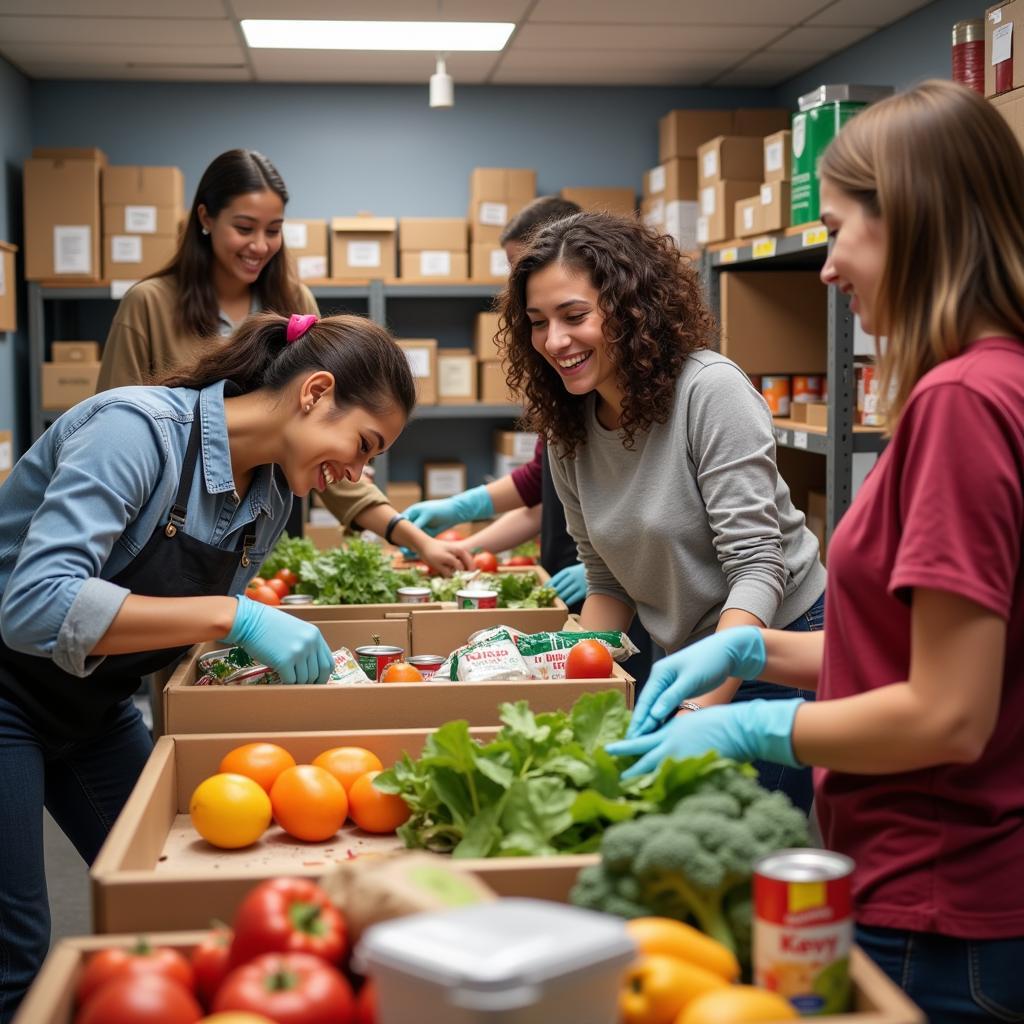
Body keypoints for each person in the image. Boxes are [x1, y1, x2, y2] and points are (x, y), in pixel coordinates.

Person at [608, 81, 1024, 1023]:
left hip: (938, 904)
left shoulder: (962, 405)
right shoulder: (1000, 383)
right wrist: (755, 652)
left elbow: (951, 714)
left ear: (913, 223)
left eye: (839, 230)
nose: (828, 268)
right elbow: (927, 661)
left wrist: (755, 727)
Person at [0, 311, 414, 1019]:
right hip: (7, 692)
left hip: (95, 707)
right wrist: (234, 616)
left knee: (176, 896)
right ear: (314, 392)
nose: (359, 472)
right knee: (17, 950)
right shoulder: (133, 432)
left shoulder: (273, 494)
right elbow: (34, 606)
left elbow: (178, 623)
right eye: (364, 444)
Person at [500, 211, 826, 814]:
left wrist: (701, 711)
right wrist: (562, 673)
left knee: (737, 849)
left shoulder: (709, 392)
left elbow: (757, 568)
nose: (554, 342)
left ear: (631, 309)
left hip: (773, 644)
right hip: (686, 656)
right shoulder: (569, 427)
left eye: (575, 317)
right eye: (538, 323)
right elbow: (606, 581)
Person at [98, 148, 468, 574]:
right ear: (205, 217)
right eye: (244, 228)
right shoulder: (149, 304)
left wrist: (410, 535)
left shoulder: (296, 302)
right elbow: (118, 427)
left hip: (259, 521)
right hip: (165, 522)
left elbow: (329, 440)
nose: (260, 245)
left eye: (273, 230)